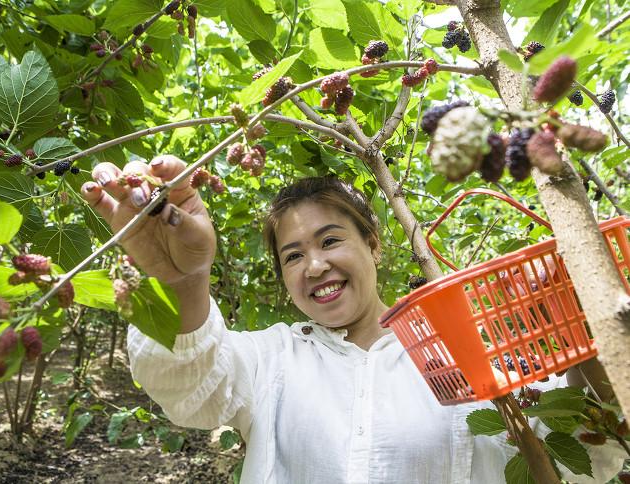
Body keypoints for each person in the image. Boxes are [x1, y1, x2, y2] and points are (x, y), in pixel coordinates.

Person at [81, 155, 626, 483]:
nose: (315, 265)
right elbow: (190, 383)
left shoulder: (471, 354)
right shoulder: (273, 358)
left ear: (374, 246)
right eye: (292, 256)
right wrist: (183, 280)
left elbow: (584, 452)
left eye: (330, 240)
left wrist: (591, 325)